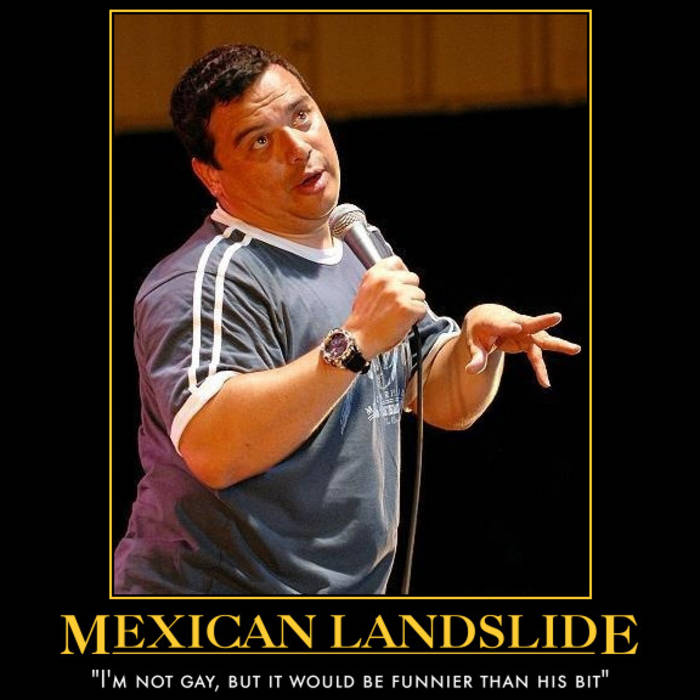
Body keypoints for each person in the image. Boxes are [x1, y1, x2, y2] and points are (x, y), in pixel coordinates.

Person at [114, 44, 581, 595]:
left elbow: (441, 399)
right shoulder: (201, 280)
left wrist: (476, 344)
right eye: (259, 140)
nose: (298, 148)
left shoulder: (358, 244)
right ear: (210, 175)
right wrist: (355, 341)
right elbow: (216, 450)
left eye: (301, 116)